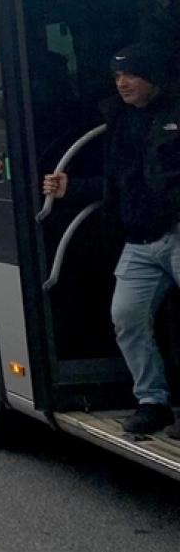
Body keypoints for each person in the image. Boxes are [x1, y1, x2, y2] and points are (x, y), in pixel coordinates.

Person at [43, 42, 179, 437]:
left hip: (176, 230)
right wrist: (72, 187)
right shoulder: (120, 120)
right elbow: (116, 184)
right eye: (118, 76)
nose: (123, 84)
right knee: (126, 318)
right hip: (139, 240)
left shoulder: (174, 112)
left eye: (131, 75)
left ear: (152, 75)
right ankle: (153, 402)